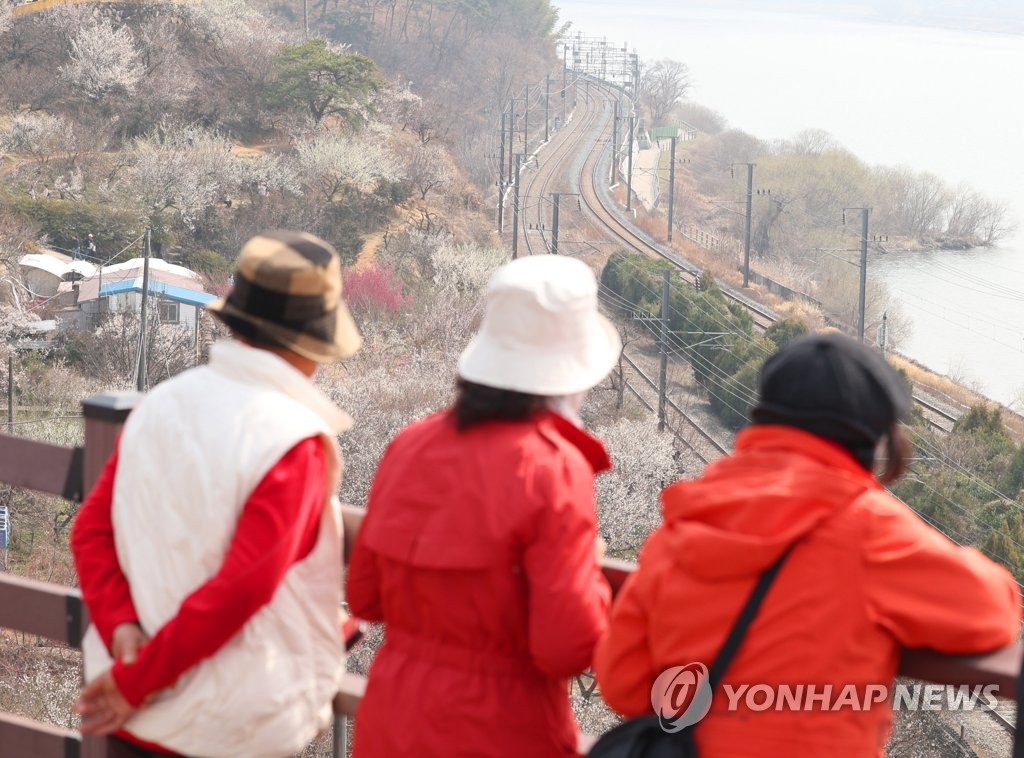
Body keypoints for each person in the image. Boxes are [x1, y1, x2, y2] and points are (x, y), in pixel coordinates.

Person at [594, 332, 1022, 757]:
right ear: (876, 441)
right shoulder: (869, 530)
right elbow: (993, 611)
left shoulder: (688, 518)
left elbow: (623, 683)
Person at [71, 230, 362, 758]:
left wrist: (122, 633)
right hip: (229, 727)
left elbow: (91, 531)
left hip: (135, 718)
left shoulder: (162, 403)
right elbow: (240, 591)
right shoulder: (290, 441)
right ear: (314, 344)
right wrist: (138, 682)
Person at [347, 255, 621, 757]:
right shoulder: (554, 470)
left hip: (392, 719)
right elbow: (566, 647)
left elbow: (364, 596)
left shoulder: (411, 443)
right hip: (501, 728)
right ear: (572, 374)